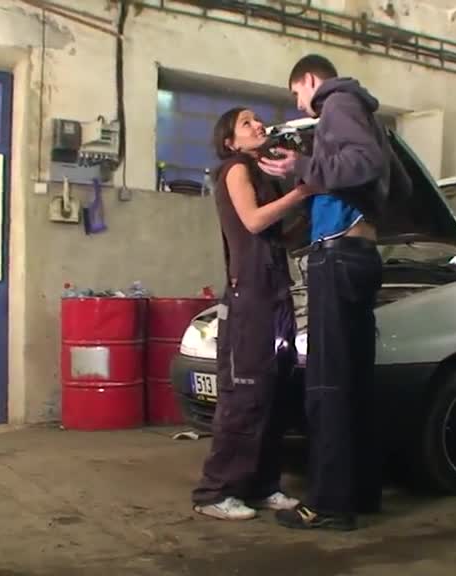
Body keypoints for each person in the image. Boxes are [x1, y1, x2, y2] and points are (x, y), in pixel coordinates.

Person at [259, 54, 410, 531]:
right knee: (355, 382)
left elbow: (361, 164)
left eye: (296, 93)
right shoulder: (368, 116)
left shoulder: (337, 103)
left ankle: (328, 505)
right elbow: (399, 185)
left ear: (310, 80)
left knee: (326, 383)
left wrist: (301, 164)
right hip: (362, 256)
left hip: (338, 255)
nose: (299, 104)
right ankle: (361, 493)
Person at [190, 107, 313, 520]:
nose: (258, 124)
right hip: (251, 302)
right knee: (244, 398)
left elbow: (280, 236)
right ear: (230, 141)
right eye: (247, 122)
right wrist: (301, 193)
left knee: (274, 395)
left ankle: (263, 486)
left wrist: (309, 208)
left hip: (277, 295)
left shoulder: (265, 176)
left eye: (258, 119)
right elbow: (255, 221)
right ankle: (214, 493)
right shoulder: (235, 169)